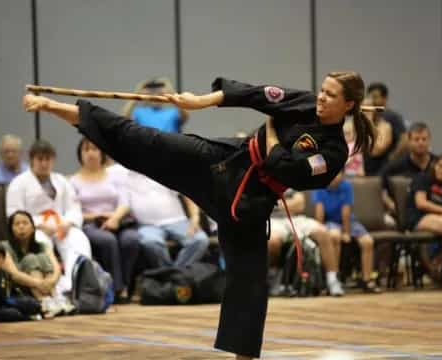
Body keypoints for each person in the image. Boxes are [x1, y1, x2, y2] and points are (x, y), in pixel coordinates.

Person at [23, 71, 375, 360]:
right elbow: (254, 94)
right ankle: (53, 107)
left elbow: (285, 168)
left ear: (349, 105)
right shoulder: (304, 103)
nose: (322, 98)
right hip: (219, 163)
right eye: (323, 90)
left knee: (249, 282)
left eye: (331, 95)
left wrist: (269, 132)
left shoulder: (332, 153)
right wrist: (198, 102)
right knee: (144, 142)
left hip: (247, 206)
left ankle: (244, 358)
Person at [6, 140, 91, 296]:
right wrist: (37, 225)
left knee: (79, 239)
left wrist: (67, 223)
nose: (44, 163)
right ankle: (54, 289)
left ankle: (76, 286)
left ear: (53, 160)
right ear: (32, 160)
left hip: (61, 226)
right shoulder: (18, 183)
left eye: (48, 159)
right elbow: (14, 214)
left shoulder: (62, 181)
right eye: (40, 159)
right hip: (34, 228)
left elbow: (74, 207)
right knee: (41, 244)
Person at [70, 137, 140, 302]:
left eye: (94, 149)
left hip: (117, 221)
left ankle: (127, 285)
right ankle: (117, 289)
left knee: (131, 239)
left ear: (102, 153)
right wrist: (95, 216)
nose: (90, 153)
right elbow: (74, 211)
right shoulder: (73, 181)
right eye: (86, 150)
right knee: (107, 240)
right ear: (80, 155)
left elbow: (125, 202)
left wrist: (114, 218)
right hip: (90, 224)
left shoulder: (114, 175)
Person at [125, 169, 209, 269]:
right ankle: (173, 277)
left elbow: (188, 194)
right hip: (147, 225)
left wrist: (195, 217)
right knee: (150, 242)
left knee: (200, 240)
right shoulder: (123, 174)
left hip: (178, 221)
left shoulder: (164, 170)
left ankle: (170, 277)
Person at [312, 172, 381, 293]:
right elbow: (319, 215)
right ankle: (335, 278)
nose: (335, 177)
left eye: (338, 174)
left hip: (349, 222)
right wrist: (321, 232)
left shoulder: (346, 186)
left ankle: (367, 280)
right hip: (330, 222)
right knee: (334, 236)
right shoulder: (319, 186)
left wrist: (347, 232)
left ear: (343, 175)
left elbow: (346, 213)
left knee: (368, 241)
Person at [268, 190, 344, 296]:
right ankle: (273, 278)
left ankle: (332, 279)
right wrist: (287, 204)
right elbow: (265, 205)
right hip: (271, 220)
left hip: (296, 218)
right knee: (272, 241)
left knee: (323, 232)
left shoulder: (289, 178)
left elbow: (300, 204)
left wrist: (277, 203)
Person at [2, 210, 71, 317]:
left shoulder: (43, 245)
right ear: (11, 229)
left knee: (42, 257)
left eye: (25, 223)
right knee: (30, 258)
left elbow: (56, 268)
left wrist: (50, 282)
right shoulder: (4, 247)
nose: (21, 227)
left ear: (33, 227)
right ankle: (43, 302)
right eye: (17, 224)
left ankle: (53, 300)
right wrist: (39, 283)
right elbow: (14, 275)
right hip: (19, 288)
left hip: (46, 286)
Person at [406, 154, 442, 290]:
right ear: (435, 165)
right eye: (441, 166)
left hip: (440, 219)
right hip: (419, 218)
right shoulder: (423, 178)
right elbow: (421, 203)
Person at [122, 78, 188, 133]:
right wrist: (137, 93)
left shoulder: (173, 112)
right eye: (152, 94)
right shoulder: (139, 112)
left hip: (169, 146)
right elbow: (124, 120)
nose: (155, 97)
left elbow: (185, 116)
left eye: (159, 94)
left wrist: (170, 91)